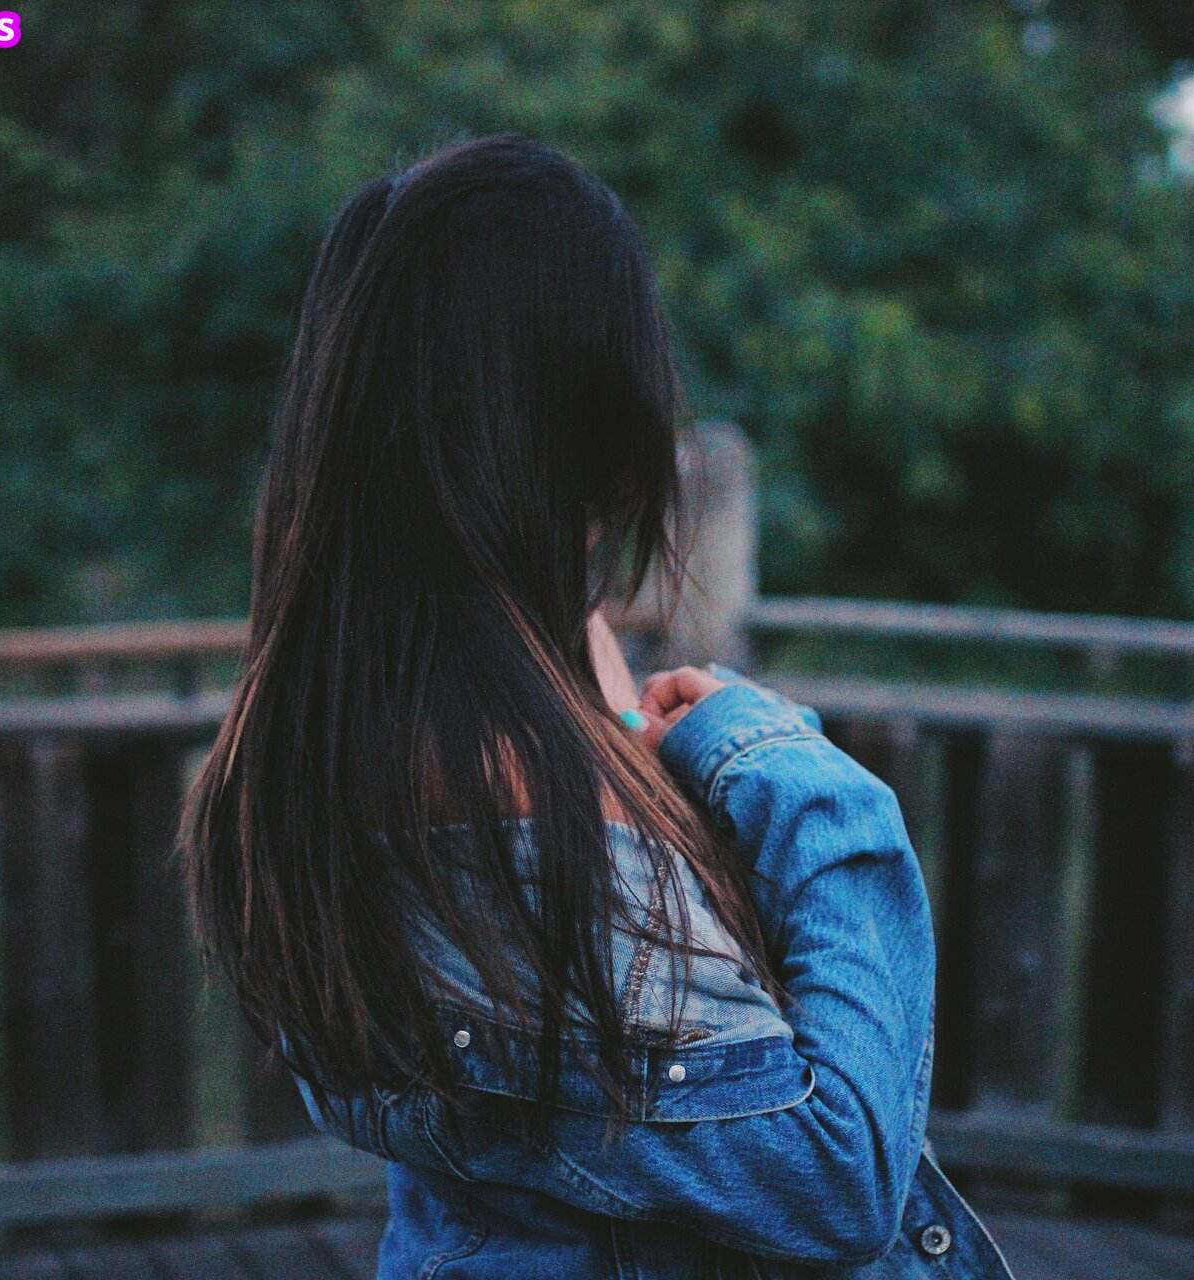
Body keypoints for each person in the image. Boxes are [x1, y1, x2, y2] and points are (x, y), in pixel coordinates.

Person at [181, 134, 1015, 1279]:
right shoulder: (506, 779)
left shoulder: (333, 724)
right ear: (585, 418)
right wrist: (798, 774)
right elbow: (835, 1172)